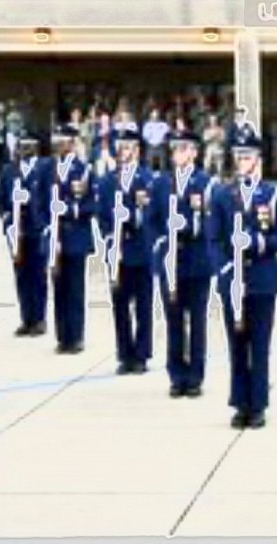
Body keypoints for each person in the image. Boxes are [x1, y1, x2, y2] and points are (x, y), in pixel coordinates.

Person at [208, 125, 277, 429]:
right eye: (238, 156)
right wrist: (226, 269)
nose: (242, 161)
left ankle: (257, 404)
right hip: (232, 282)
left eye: (247, 156)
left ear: (258, 158)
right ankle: (239, 403)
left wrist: (257, 242)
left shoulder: (273, 195)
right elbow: (213, 239)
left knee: (259, 345)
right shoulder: (222, 194)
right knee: (236, 345)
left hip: (261, 281)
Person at [149, 129, 217, 397]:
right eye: (175, 148)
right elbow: (152, 221)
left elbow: (212, 222)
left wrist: (191, 225)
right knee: (174, 320)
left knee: (197, 321)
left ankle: (195, 376)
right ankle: (176, 375)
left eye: (184, 148)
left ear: (194, 152)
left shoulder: (205, 183)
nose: (178, 153)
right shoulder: (161, 184)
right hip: (170, 261)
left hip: (197, 260)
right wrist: (162, 240)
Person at [97, 123, 156, 374]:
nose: (124, 152)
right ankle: (125, 354)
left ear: (138, 150)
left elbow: (151, 215)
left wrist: (131, 216)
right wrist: (109, 237)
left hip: (141, 251)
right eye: (121, 147)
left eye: (129, 147)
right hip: (118, 252)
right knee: (120, 306)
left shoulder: (148, 179)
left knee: (143, 306)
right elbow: (101, 216)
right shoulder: (109, 180)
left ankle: (141, 354)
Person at [41, 124, 97, 354]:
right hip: (55, 235)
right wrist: (46, 223)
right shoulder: (48, 168)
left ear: (73, 143)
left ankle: (76, 337)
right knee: (58, 287)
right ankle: (62, 336)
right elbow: (38, 199)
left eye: (64, 140)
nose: (59, 144)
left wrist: (70, 210)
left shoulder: (83, 170)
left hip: (75, 234)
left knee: (75, 288)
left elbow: (92, 203)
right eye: (58, 140)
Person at [0, 129, 47, 337]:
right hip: (17, 231)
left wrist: (31, 200)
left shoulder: (44, 169)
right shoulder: (9, 171)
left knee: (38, 275)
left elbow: (48, 197)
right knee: (21, 275)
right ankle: (27, 318)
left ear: (36, 147)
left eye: (29, 145)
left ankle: (39, 318)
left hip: (36, 228)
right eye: (22, 145)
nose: (24, 149)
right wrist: (8, 219)